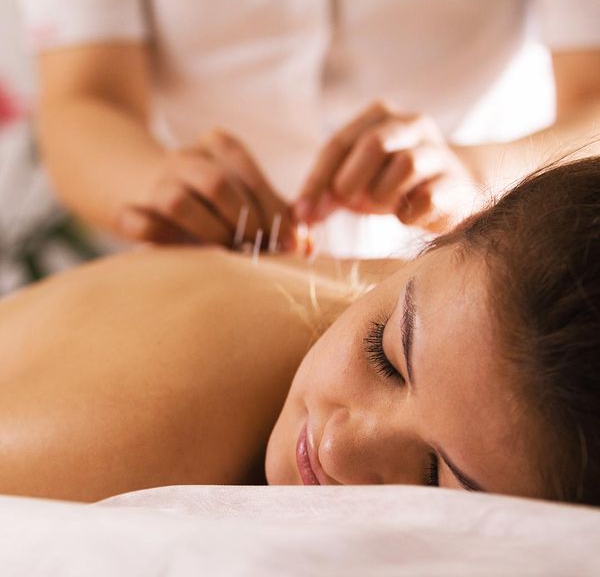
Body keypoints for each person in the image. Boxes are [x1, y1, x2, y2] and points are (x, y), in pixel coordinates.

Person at [0, 155, 598, 505]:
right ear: (443, 238)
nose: (338, 448)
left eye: (432, 478)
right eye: (384, 355)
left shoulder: (445, 293)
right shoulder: (149, 424)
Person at [15, 0, 600, 254]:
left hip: (476, 253)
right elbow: (84, 99)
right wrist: (157, 185)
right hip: (214, 272)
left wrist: (475, 176)